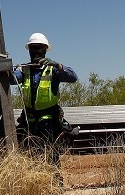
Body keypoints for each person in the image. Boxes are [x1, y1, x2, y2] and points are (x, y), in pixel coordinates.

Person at [13, 32, 78, 163]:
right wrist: (7, 68)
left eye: (38, 47)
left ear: (45, 50)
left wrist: (58, 65)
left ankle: (55, 181)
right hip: (29, 120)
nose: (35, 51)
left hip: (48, 119)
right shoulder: (24, 70)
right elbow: (11, 79)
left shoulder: (52, 70)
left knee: (50, 154)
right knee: (28, 156)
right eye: (32, 48)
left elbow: (73, 77)